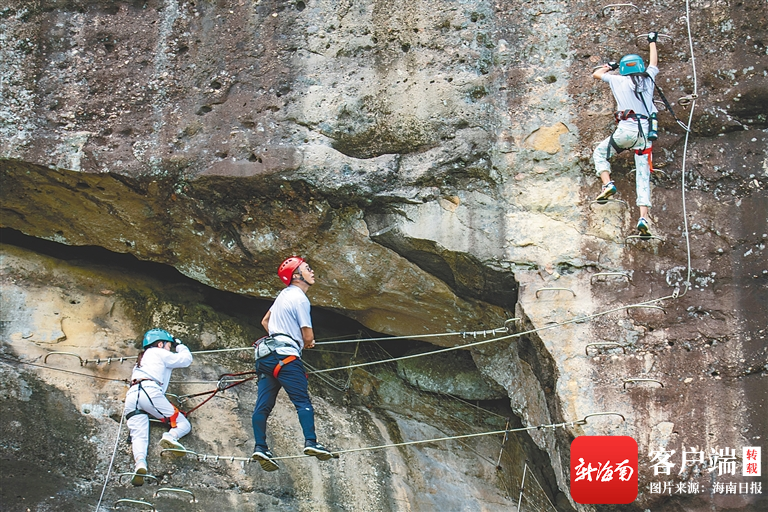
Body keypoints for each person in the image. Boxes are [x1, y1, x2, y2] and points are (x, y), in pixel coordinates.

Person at [250, 256, 333, 471]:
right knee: (302, 401)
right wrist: (305, 342)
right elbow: (308, 335)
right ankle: (311, 442)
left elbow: (265, 321)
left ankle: (260, 447)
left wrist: (281, 335)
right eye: (308, 268)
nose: (312, 272)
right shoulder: (300, 298)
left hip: (266, 356)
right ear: (296, 275)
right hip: (286, 357)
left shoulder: (283, 295)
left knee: (263, 405)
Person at [592, 32, 660, 237]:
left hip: (625, 131)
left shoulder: (617, 80)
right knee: (643, 175)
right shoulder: (648, 79)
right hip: (645, 134)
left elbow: (596, 74)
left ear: (622, 69)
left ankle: (608, 183)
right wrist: (652, 41)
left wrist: (609, 66)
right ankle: (643, 218)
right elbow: (654, 63)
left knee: (600, 153)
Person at [123, 328, 193, 485]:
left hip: (133, 395)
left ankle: (140, 463)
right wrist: (179, 345)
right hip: (150, 391)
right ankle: (170, 436)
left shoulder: (141, 360)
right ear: (160, 344)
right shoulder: (158, 352)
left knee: (138, 435)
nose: (170, 348)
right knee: (183, 424)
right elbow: (186, 359)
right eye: (168, 345)